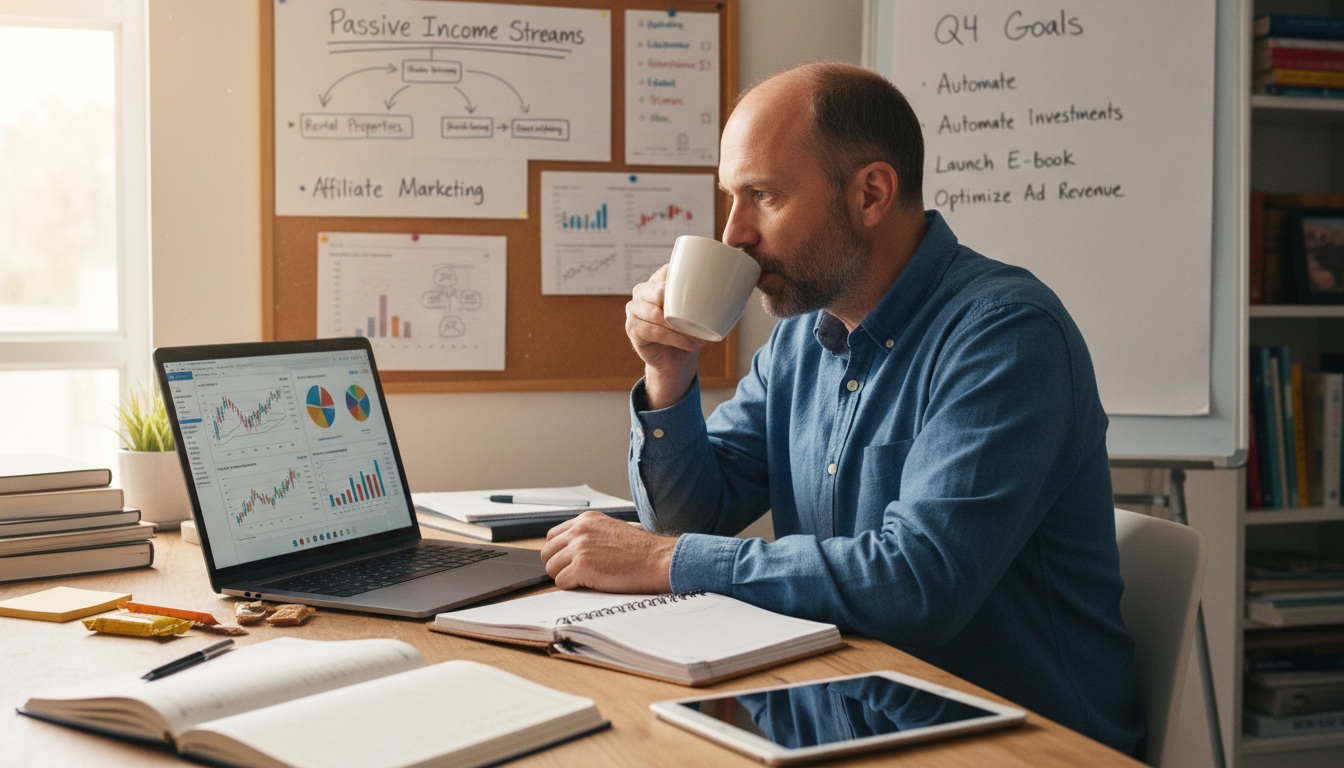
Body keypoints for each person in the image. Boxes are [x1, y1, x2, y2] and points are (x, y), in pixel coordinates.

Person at [540, 61, 1145, 757]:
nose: (733, 233)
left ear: (872, 193)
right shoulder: (802, 336)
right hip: (837, 724)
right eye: (731, 198)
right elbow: (690, 519)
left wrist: (670, 561)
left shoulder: (1007, 335)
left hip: (1006, 746)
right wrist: (668, 376)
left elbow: (918, 584)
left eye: (761, 195)